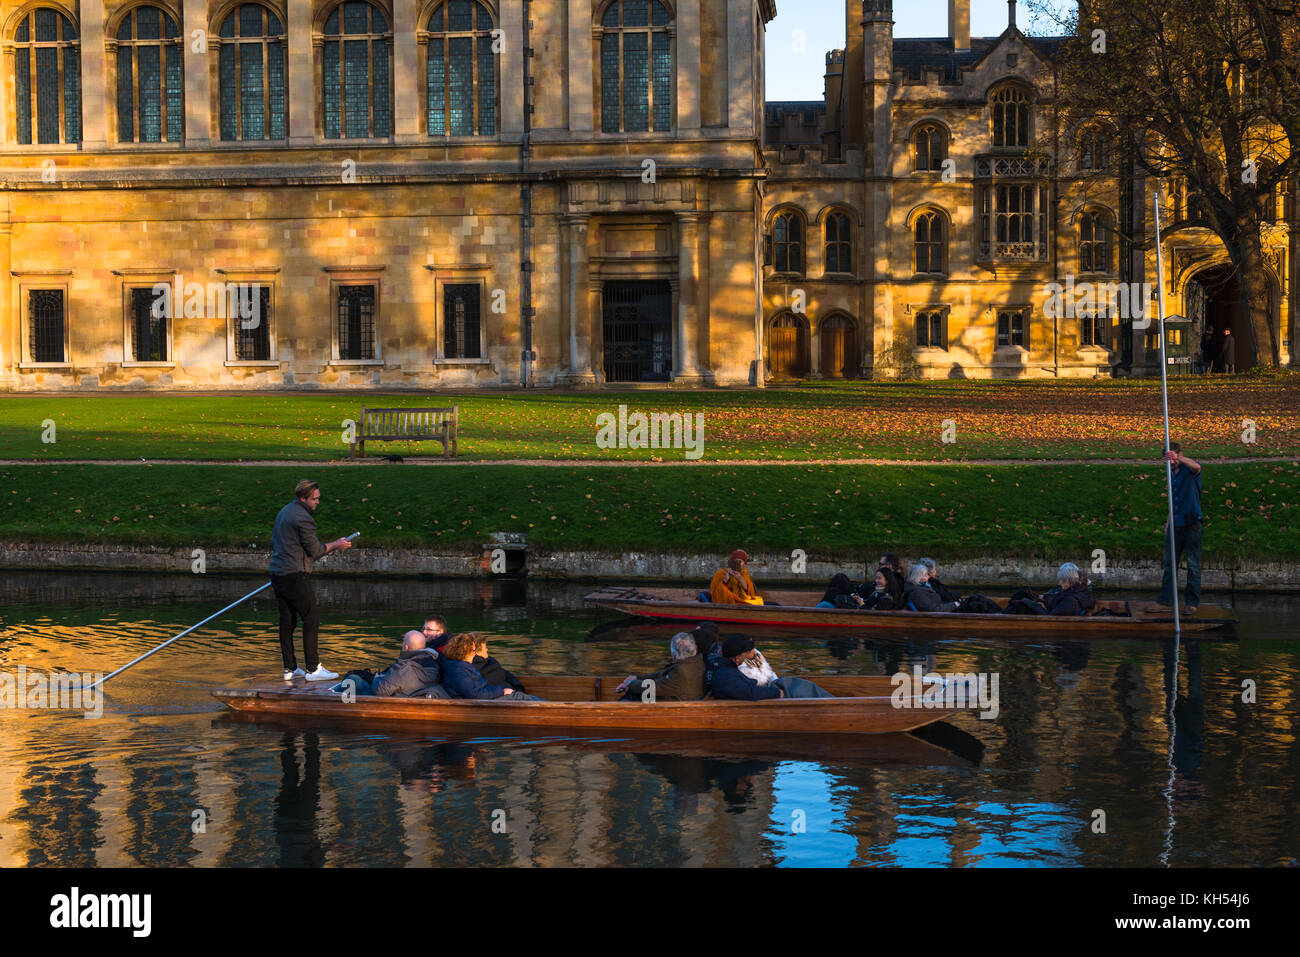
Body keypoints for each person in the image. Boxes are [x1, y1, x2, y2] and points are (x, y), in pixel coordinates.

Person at [269, 479, 353, 681]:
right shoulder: (302, 518)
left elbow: (276, 542)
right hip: (293, 575)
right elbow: (315, 551)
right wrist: (336, 544)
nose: (317, 502)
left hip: (277, 574)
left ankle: (290, 668)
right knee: (311, 618)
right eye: (314, 499)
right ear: (303, 498)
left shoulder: (285, 511)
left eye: (318, 498)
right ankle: (313, 669)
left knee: (287, 621)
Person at [1157, 442, 1203, 613]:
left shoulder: (1189, 470)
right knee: (1169, 564)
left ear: (1179, 454)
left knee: (1193, 564)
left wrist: (1179, 458)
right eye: (1168, 459)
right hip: (1175, 524)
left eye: (1173, 458)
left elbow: (1197, 466)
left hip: (1192, 525)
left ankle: (1191, 603)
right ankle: (1165, 601)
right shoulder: (1170, 474)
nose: (1172, 462)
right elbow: (1173, 500)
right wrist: (1168, 522)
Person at [422, 614, 525, 691]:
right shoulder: (455, 644)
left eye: (429, 629)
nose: (424, 632)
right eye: (423, 629)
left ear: (440, 632)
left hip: (494, 688)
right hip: (501, 687)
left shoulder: (447, 649)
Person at [340, 630, 449, 698]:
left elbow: (379, 691)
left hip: (387, 699)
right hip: (409, 692)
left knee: (353, 679)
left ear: (406, 647)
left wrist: (377, 678)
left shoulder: (404, 668)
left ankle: (337, 700)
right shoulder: (433, 662)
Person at [439, 632, 545, 701]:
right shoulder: (457, 670)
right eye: (474, 650)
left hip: (488, 698)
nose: (475, 653)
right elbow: (475, 694)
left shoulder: (462, 666)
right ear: (465, 652)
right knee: (519, 697)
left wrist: (503, 690)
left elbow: (481, 688)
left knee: (520, 696)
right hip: (482, 704)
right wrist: (502, 691)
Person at [614, 632, 706, 701]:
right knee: (636, 691)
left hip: (676, 706)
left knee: (634, 694)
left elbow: (656, 687)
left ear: (673, 654)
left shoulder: (681, 671)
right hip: (679, 699)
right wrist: (637, 678)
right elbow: (662, 674)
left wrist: (630, 684)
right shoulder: (696, 662)